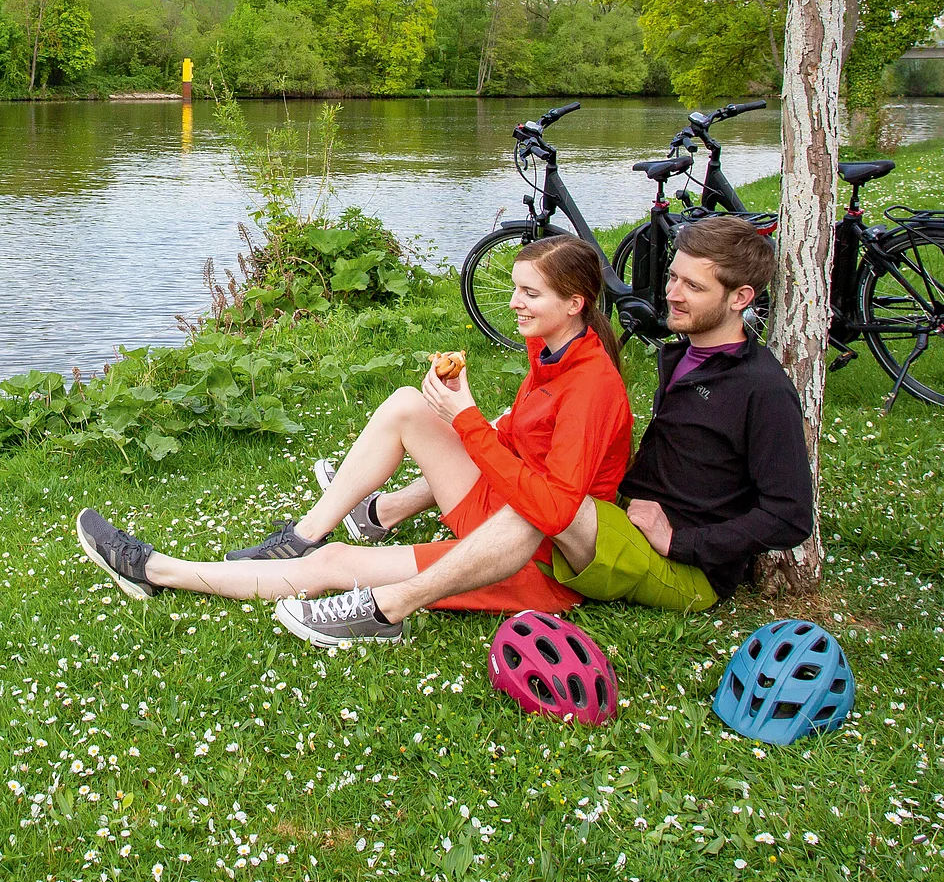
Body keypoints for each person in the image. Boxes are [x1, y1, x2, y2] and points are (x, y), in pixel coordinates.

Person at [274, 215, 815, 645]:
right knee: (527, 464)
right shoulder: (683, 355)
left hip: (685, 569)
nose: (671, 293)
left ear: (740, 298)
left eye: (692, 285)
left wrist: (684, 539)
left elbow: (790, 516)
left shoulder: (761, 389)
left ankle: (388, 602)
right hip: (619, 524)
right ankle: (374, 515)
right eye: (673, 275)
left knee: (546, 503)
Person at [74, 234, 636, 641]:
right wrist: (462, 415)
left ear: (574, 303)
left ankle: (153, 571)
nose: (513, 303)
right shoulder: (552, 348)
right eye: (515, 289)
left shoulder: (592, 386)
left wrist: (465, 419)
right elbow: (519, 434)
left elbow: (557, 511)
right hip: (503, 508)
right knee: (407, 406)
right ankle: (304, 533)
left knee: (336, 567)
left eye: (529, 294)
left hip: (527, 558)